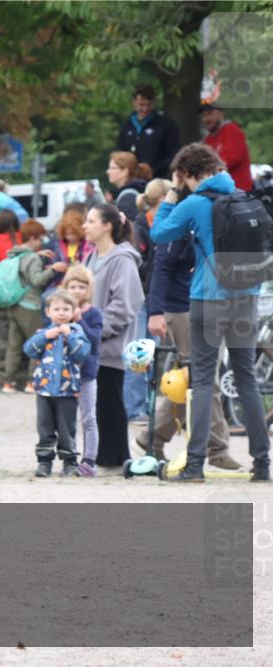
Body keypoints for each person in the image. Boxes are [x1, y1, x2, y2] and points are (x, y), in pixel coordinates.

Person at [150, 142, 270, 482]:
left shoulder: (195, 203)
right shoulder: (243, 196)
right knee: (246, 380)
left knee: (203, 380)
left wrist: (172, 193)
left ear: (185, 174)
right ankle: (262, 463)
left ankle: (194, 466)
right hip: (247, 298)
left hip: (209, 299)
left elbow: (159, 233)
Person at [135, 212, 243, 471]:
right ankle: (216, 449)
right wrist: (156, 311)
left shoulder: (214, 217)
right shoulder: (184, 220)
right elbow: (161, 268)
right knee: (203, 378)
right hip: (184, 309)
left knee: (192, 381)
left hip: (207, 306)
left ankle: (153, 437)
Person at [82, 203, 144, 469]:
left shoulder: (122, 260)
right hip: (90, 345)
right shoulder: (90, 258)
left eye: (91, 221)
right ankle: (99, 456)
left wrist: (97, 329)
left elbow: (126, 304)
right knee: (95, 404)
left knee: (110, 401)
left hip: (109, 345)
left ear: (107, 226)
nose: (85, 226)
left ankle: (116, 459)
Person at [24, 290, 91, 477]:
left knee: (66, 428)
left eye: (66, 309)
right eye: (57, 309)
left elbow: (83, 354)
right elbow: (29, 350)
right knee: (44, 427)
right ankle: (44, 462)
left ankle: (70, 462)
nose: (61, 313)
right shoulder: (43, 333)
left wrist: (70, 336)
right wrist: (46, 336)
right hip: (44, 390)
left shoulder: (77, 332)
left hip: (67, 391)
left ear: (73, 312)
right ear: (48, 312)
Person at [123, 177, 172, 422]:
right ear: (162, 199)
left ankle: (145, 407)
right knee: (138, 353)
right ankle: (133, 409)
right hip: (141, 297)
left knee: (150, 354)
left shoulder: (164, 225)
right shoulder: (140, 227)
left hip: (156, 297)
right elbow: (138, 264)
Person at [2, 219, 61, 394]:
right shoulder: (33, 257)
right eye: (40, 238)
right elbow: (36, 280)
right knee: (37, 343)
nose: (42, 242)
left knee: (14, 346)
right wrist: (53, 269)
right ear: (33, 238)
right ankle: (31, 382)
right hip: (30, 305)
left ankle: (8, 383)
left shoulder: (15, 253)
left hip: (14, 303)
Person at [61, 266, 103, 477]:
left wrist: (79, 320)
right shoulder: (62, 313)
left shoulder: (93, 313)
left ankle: (89, 460)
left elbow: (94, 340)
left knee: (88, 418)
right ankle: (69, 458)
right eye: (73, 286)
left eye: (81, 286)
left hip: (86, 374)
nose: (77, 291)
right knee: (66, 419)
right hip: (65, 374)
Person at [115, 83, 180, 179]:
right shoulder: (127, 126)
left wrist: (153, 170)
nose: (145, 109)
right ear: (134, 102)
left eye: (149, 104)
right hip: (131, 179)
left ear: (154, 102)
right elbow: (119, 153)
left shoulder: (166, 125)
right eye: (141, 105)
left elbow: (174, 155)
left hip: (157, 179)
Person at [200, 103, 253, 192]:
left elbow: (230, 160)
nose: (206, 119)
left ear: (221, 113)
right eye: (203, 115)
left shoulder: (231, 130)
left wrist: (204, 167)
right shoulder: (207, 139)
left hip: (238, 192)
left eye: (210, 113)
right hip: (218, 192)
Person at [40, 209, 93, 291]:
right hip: (59, 283)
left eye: (73, 234)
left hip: (80, 284)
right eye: (67, 234)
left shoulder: (87, 246)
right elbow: (51, 265)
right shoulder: (58, 246)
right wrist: (54, 267)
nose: (70, 237)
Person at [105, 151, 149, 223]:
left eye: (112, 168)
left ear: (125, 171)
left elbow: (131, 227)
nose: (107, 172)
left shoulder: (128, 197)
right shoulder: (132, 192)